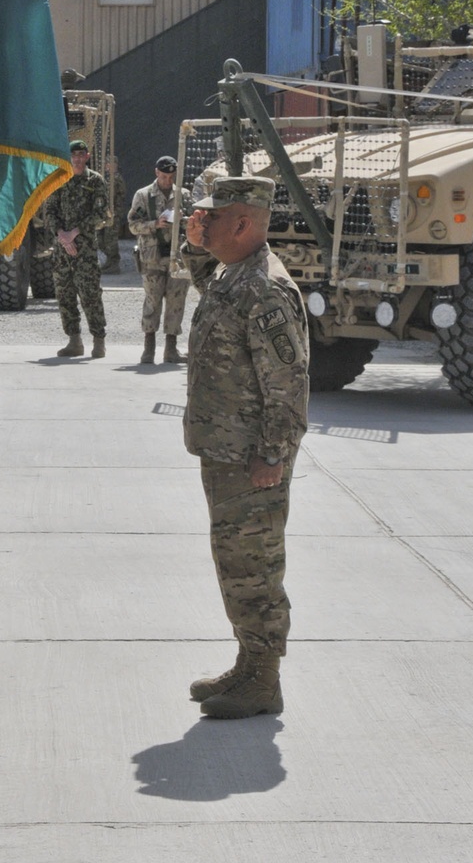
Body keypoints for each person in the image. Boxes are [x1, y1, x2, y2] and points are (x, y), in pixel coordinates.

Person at [180, 176, 309, 719]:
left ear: (242, 224)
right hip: (228, 450)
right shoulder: (237, 274)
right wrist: (194, 246)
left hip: (250, 458)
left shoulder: (266, 289)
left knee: (253, 566)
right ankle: (248, 661)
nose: (201, 221)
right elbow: (211, 289)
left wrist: (273, 455)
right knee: (235, 562)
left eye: (212, 217)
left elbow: (288, 382)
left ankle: (263, 680)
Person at [45, 139, 109, 358]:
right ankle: (74, 341)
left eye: (82, 155)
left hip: (86, 249)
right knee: (65, 294)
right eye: (74, 155)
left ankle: (98, 340)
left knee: (90, 294)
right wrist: (62, 235)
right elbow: (49, 212)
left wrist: (75, 232)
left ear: (87, 156)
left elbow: (101, 215)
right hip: (62, 248)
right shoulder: (58, 179)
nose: (78, 159)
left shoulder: (95, 181)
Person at [127, 155, 192, 364]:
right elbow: (133, 224)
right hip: (152, 258)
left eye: (171, 177)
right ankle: (149, 349)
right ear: (157, 173)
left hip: (177, 257)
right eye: (164, 176)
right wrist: (155, 224)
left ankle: (171, 349)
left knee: (176, 301)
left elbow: (194, 224)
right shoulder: (144, 195)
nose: (167, 181)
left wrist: (184, 220)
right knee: (152, 301)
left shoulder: (183, 195)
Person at [100, 158, 126, 273]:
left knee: (110, 238)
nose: (106, 166)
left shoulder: (116, 178)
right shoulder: (108, 178)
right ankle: (110, 261)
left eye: (109, 163)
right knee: (102, 239)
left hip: (114, 213)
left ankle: (114, 263)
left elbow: (113, 195)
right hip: (107, 213)